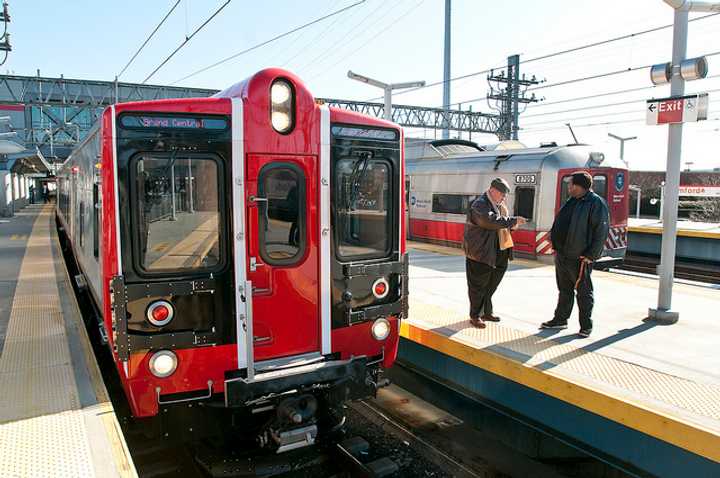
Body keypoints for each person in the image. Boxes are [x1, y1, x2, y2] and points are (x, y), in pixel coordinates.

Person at [541, 171, 609, 338]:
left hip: (580, 256)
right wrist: (553, 233)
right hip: (563, 254)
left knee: (584, 292)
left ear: (580, 186)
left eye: (571, 184)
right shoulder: (572, 201)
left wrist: (591, 255)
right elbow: (562, 221)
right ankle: (560, 319)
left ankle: (586, 325)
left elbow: (601, 230)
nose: (569, 187)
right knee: (564, 289)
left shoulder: (595, 203)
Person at [463, 178, 526, 329]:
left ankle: (486, 312)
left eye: (505, 195)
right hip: (480, 253)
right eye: (502, 194)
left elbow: (501, 226)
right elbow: (489, 221)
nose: (504, 198)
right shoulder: (479, 204)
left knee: (491, 284)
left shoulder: (499, 206)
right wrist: (512, 220)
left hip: (497, 251)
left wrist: (512, 226)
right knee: (477, 286)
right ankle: (475, 315)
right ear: (492, 190)